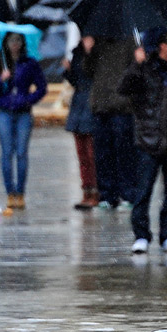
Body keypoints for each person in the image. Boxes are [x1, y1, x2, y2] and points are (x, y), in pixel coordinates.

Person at [118, 30, 167, 254]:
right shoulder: (144, 71)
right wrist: (137, 64)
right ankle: (141, 235)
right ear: (162, 46)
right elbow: (123, 88)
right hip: (147, 141)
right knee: (143, 191)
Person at [0, 32, 47, 212]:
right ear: (6, 43)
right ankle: (10, 193)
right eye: (11, 40)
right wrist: (1, 79)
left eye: (18, 40)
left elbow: (42, 87)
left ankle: (21, 192)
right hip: (5, 113)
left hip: (23, 113)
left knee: (22, 152)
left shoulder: (29, 63)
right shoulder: (0, 63)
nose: (15, 44)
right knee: (7, 153)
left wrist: (28, 99)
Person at [82, 35, 138, 210]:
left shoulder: (129, 43)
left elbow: (135, 72)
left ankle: (127, 194)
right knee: (102, 153)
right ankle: (107, 195)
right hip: (100, 106)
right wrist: (88, 52)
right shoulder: (97, 43)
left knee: (124, 152)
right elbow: (87, 71)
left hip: (122, 106)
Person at [62, 41, 98, 210]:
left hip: (93, 104)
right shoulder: (77, 52)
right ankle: (87, 191)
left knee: (93, 154)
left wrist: (91, 54)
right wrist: (68, 71)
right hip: (79, 106)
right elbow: (76, 80)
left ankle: (97, 191)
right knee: (82, 154)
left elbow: (96, 75)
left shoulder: (99, 50)